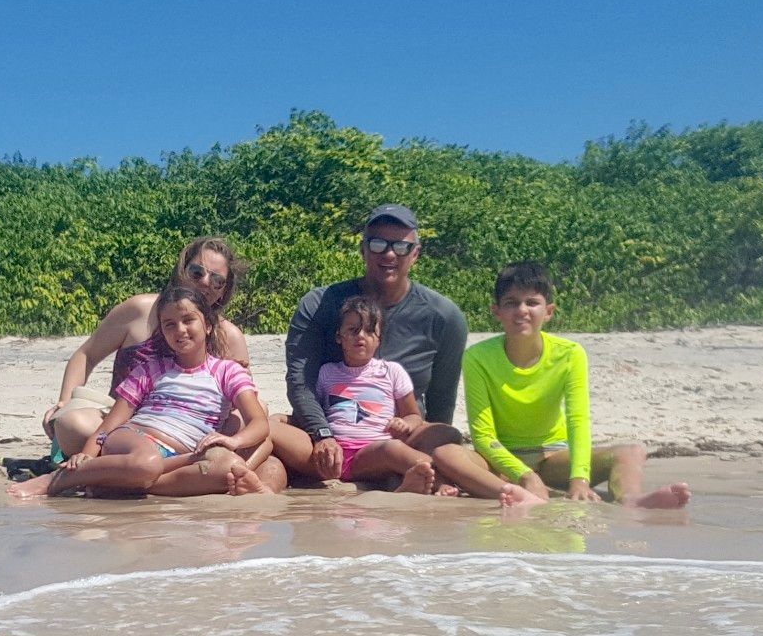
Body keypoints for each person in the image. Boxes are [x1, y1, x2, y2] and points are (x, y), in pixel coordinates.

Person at [39, 236, 285, 492]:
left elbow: (243, 402)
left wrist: (229, 439)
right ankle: (176, 475)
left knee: (262, 424)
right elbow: (85, 355)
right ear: (182, 270)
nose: (205, 282)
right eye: (197, 272)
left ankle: (129, 478)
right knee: (73, 423)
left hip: (189, 431)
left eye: (217, 280)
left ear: (225, 289)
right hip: (124, 423)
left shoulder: (229, 336)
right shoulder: (139, 310)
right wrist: (65, 400)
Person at [450, 261, 692, 509]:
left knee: (631, 452)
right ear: (496, 311)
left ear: (549, 311)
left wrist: (579, 478)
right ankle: (517, 490)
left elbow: (578, 419)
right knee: (447, 454)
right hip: (500, 462)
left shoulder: (570, 354)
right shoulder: (477, 357)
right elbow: (483, 437)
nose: (521, 310)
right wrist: (526, 475)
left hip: (553, 457)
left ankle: (631, 499)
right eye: (511, 303)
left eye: (532, 303)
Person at [274, 204, 469, 484]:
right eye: (377, 244)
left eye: (401, 246)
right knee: (272, 424)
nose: (389, 254)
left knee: (446, 434)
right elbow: (300, 383)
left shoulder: (446, 318)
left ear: (415, 253)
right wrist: (323, 434)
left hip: (396, 441)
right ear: (363, 250)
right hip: (327, 438)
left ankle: (440, 478)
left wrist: (418, 434)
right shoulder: (318, 305)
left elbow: (441, 405)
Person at [279, 295, 440, 494]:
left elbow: (414, 415)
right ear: (339, 336)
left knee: (392, 449)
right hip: (328, 455)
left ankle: (442, 480)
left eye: (370, 330)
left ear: (379, 339)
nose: (361, 336)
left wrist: (405, 424)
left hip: (370, 453)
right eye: (353, 330)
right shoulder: (327, 372)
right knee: (270, 425)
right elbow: (316, 412)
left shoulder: (391, 372)